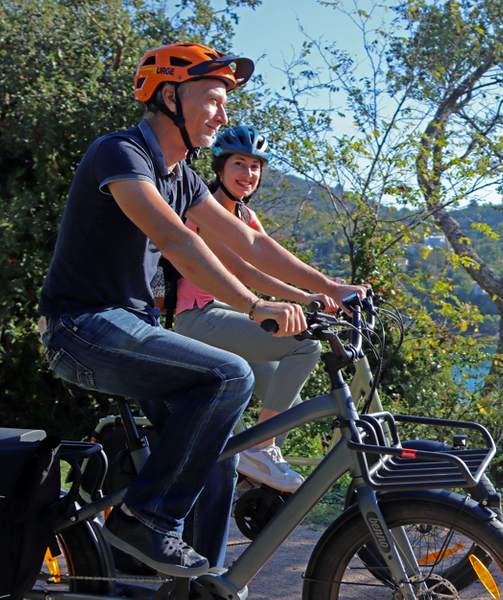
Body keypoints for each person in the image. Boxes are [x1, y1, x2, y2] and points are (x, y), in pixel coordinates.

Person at [37, 42, 366, 577]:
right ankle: (144, 517)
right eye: (213, 99)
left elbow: (249, 244)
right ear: (169, 96)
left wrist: (326, 289)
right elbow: (175, 239)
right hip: (82, 328)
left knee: (222, 452)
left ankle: (199, 582)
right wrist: (257, 305)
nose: (223, 114)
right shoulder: (120, 153)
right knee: (228, 376)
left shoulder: (183, 176)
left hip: (132, 328)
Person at [171, 124, 326, 492]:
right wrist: (304, 298)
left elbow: (266, 261)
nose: (248, 174)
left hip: (232, 317)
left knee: (285, 394)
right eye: (239, 164)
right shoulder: (204, 211)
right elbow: (245, 270)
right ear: (220, 169)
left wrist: (323, 292)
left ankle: (248, 479)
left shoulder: (245, 217)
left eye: (256, 166)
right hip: (199, 316)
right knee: (305, 347)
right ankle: (259, 452)